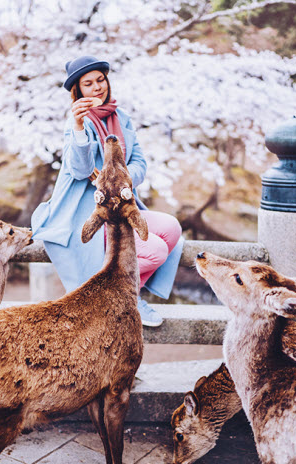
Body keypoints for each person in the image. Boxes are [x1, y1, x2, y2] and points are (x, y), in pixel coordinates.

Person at [31, 55, 184, 327]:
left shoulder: (121, 117)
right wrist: (78, 128)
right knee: (156, 250)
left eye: (100, 80)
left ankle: (128, 296)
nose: (97, 87)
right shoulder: (77, 123)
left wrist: (120, 178)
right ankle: (119, 297)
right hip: (88, 212)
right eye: (88, 84)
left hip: (121, 206)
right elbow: (80, 170)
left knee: (171, 228)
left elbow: (139, 162)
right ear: (78, 91)